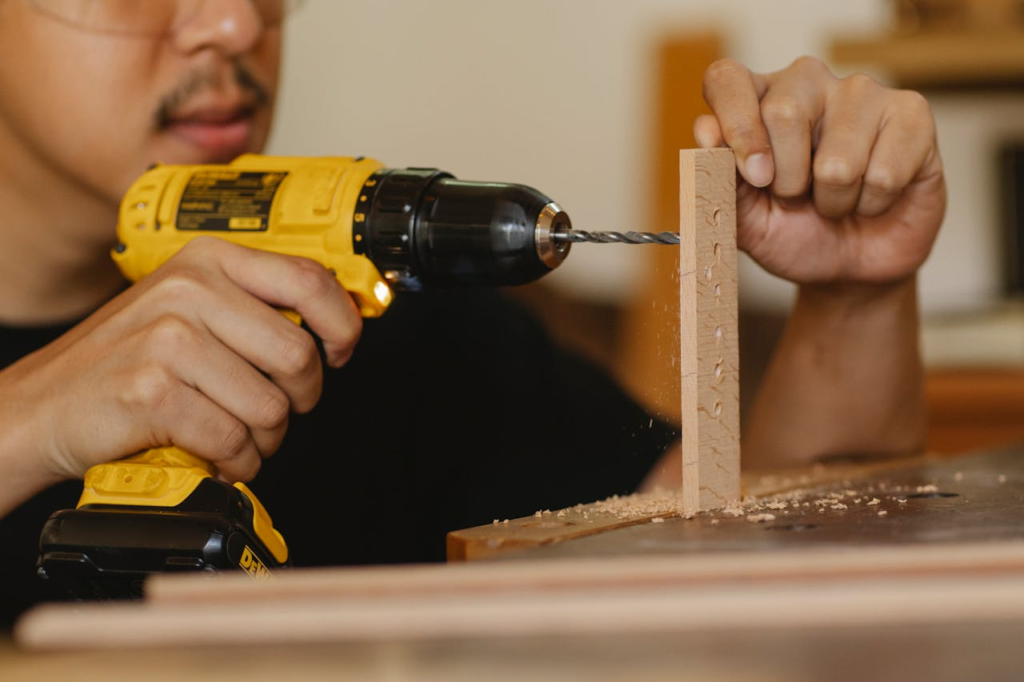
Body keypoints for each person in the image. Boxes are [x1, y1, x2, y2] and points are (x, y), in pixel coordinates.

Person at [0, 0, 945, 626]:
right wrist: (27, 421)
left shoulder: (379, 322)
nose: (234, 23)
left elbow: (756, 549)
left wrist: (852, 295)